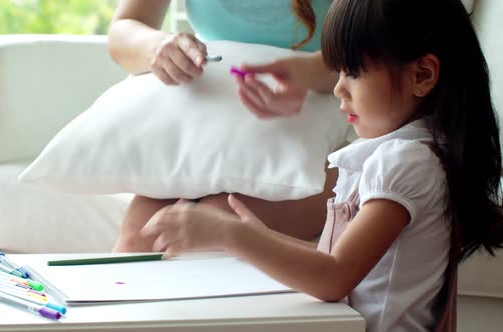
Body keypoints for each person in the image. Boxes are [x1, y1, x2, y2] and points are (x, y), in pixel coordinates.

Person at [140, 0, 503, 331]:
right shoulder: (405, 155)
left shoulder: (406, 162)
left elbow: (334, 276)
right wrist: (250, 235)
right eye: (339, 72)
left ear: (422, 75)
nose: (338, 89)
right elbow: (335, 258)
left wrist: (230, 235)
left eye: (353, 72)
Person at [107, 0, 343, 252]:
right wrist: (157, 47)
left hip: (325, 133)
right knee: (137, 239)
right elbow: (122, 31)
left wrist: (312, 71)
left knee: (211, 226)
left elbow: (385, 50)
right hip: (205, 129)